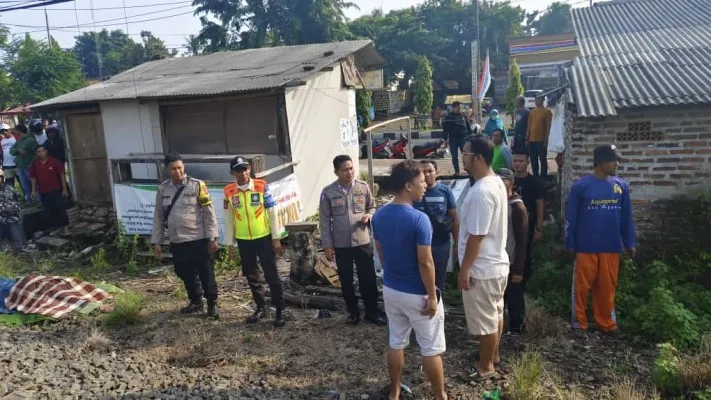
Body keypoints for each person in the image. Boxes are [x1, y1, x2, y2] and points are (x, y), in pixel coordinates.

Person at [372, 160, 447, 400]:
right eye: (420, 182)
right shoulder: (419, 219)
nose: (425, 185)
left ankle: (394, 392)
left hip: (392, 288)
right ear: (407, 186)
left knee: (396, 342)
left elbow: (381, 251)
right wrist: (432, 296)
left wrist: (391, 275)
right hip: (418, 292)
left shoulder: (380, 215)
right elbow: (425, 262)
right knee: (431, 348)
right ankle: (440, 396)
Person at [566, 145, 636, 334]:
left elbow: (626, 218)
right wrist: (570, 243)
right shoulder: (581, 187)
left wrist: (629, 242)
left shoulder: (620, 186)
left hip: (611, 246)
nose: (617, 164)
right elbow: (571, 218)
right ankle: (579, 323)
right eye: (613, 160)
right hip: (585, 246)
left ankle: (606, 323)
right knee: (581, 289)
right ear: (601, 163)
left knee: (607, 287)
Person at [457, 134, 509, 380]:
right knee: (495, 314)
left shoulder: (481, 192)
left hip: (483, 269)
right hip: (496, 264)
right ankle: (492, 355)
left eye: (465, 155)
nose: (462, 159)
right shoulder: (496, 182)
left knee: (486, 321)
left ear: (478, 158)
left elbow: (476, 237)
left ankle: (486, 366)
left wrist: (465, 269)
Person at [151, 153, 220, 320]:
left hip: (198, 239)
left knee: (206, 273)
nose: (177, 172)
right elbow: (159, 216)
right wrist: (157, 241)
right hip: (177, 240)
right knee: (183, 271)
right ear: (167, 170)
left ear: (184, 167)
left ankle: (212, 303)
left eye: (179, 168)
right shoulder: (163, 189)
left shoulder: (197, 185)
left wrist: (212, 238)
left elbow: (208, 214)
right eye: (173, 169)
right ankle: (196, 300)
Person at [319, 155, 385, 325]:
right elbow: (325, 220)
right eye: (344, 170)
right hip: (341, 244)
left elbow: (372, 206)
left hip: (362, 241)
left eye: (351, 168)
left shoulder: (363, 187)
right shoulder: (328, 192)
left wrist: (369, 215)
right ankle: (353, 312)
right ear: (336, 172)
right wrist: (327, 245)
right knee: (346, 279)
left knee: (368, 278)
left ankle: (372, 311)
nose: (349, 172)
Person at [224, 156, 286, 327]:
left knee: (272, 275)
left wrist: (276, 237)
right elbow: (228, 218)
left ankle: (280, 310)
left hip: (264, 238)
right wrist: (230, 244)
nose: (242, 173)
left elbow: (273, 212)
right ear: (232, 173)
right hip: (244, 240)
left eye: (245, 169)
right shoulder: (229, 191)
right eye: (238, 170)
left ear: (250, 169)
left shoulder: (261, 186)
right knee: (252, 276)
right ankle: (261, 308)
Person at [510, 148, 546, 332]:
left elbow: (540, 204)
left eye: (521, 161)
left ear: (527, 162)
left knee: (525, 256)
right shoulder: (508, 181)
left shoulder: (534, 182)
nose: (517, 164)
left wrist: (539, 227)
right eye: (515, 160)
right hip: (509, 229)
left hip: (528, 227)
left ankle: (521, 285)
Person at [413, 160, 459, 290]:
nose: (427, 175)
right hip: (419, 244)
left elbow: (454, 218)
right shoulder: (414, 192)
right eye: (423, 172)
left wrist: (456, 243)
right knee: (420, 279)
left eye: (430, 171)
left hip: (441, 244)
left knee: (438, 280)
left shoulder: (445, 191)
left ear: (437, 173)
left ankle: (437, 306)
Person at [497, 168, 529, 336]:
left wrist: (519, 268)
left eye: (505, 180)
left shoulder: (517, 207)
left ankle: (517, 329)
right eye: (498, 179)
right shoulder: (498, 202)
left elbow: (523, 240)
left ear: (512, 182)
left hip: (512, 260)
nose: (501, 183)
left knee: (515, 297)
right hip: (497, 260)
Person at [29, 145, 70, 235]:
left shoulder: (54, 161)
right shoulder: (35, 164)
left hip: (56, 190)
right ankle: (58, 227)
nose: (41, 153)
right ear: (36, 153)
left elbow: (62, 175)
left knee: (60, 209)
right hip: (43, 191)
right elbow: (33, 178)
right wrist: (33, 190)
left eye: (42, 151)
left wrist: (64, 189)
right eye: (38, 152)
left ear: (46, 151)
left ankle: (66, 227)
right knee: (50, 210)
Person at [442, 101, 473, 175]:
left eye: (461, 108)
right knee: (454, 156)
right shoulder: (448, 117)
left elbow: (468, 127)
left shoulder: (463, 116)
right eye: (458, 108)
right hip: (453, 140)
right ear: (453, 108)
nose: (460, 109)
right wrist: (445, 140)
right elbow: (445, 130)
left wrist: (471, 137)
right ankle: (457, 172)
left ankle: (470, 170)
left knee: (466, 155)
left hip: (463, 139)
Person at [10, 123, 37, 203]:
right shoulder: (19, 140)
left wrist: (31, 163)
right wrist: (18, 150)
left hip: (28, 166)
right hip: (20, 166)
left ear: (19, 130)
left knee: (34, 184)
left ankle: (38, 200)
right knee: (24, 185)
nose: (14, 132)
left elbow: (36, 153)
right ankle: (29, 201)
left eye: (15, 130)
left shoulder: (31, 140)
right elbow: (11, 150)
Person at [527, 97, 552, 177]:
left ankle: (543, 176)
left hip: (541, 140)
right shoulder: (532, 112)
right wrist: (527, 138)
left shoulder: (547, 112)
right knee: (533, 160)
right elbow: (529, 126)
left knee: (542, 159)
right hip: (531, 140)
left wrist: (546, 140)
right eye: (536, 99)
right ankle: (535, 176)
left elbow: (548, 126)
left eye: (539, 99)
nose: (537, 101)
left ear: (543, 100)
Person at [0, 169, 23, 252]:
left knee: (16, 236)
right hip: (1, 219)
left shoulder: (9, 187)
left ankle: (18, 251)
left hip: (12, 217)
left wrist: (15, 208)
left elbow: (18, 197)